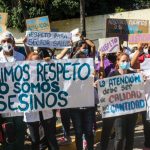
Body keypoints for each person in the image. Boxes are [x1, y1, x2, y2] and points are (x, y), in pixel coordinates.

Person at [24, 52, 59, 150]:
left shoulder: (47, 72)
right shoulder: (24, 74)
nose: (37, 63)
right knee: (35, 140)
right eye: (34, 61)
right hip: (31, 111)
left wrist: (50, 62)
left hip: (46, 109)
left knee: (51, 137)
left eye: (39, 60)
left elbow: (58, 74)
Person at [0, 31, 26, 150]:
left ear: (13, 43)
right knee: (8, 130)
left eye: (9, 41)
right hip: (5, 102)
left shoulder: (21, 57)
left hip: (20, 100)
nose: (6, 43)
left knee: (21, 128)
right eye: (4, 41)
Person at [69, 36, 95, 150]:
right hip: (75, 106)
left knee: (89, 132)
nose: (84, 52)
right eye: (82, 50)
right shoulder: (70, 66)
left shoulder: (90, 65)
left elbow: (93, 47)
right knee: (78, 133)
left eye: (85, 50)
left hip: (88, 105)